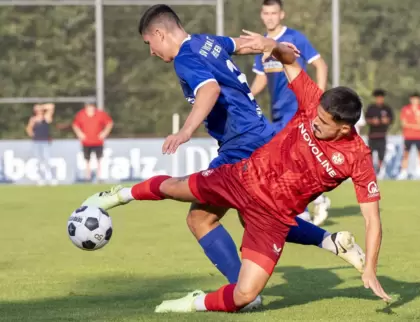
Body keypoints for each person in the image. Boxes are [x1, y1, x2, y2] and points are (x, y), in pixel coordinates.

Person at [81, 37, 390, 313]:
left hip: (272, 217)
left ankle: (194, 302)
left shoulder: (358, 158)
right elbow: (289, 60)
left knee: (245, 294)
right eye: (317, 116)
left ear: (345, 128)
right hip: (241, 178)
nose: (315, 123)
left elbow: (372, 220)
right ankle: (120, 195)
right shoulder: (313, 102)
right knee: (174, 188)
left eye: (324, 122)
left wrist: (371, 269)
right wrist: (271, 45)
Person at [130, 4, 363, 310]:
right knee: (259, 214)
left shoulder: (185, 58)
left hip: (241, 146)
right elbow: (242, 44)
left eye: (150, 44)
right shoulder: (205, 41)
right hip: (258, 135)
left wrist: (186, 131)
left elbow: (209, 90)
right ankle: (329, 241)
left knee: (201, 218)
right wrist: (277, 47)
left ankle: (243, 290)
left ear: (160, 33)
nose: (151, 52)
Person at [250, 0, 330, 224]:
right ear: (262, 15)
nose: (270, 17)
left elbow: (320, 65)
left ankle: (300, 210)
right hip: (276, 112)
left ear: (281, 15)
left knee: (290, 157)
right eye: (266, 13)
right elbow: (261, 78)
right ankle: (317, 197)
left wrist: (317, 99)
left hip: (297, 107)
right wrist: (245, 95)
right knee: (290, 158)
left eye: (274, 13)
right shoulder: (263, 44)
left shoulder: (295, 38)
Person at [72, 103, 114, 182]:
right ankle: (88, 177)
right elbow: (75, 125)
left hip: (98, 141)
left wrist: (104, 133)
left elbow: (109, 123)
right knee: (87, 159)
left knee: (99, 159)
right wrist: (80, 134)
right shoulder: (81, 114)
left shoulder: (100, 114)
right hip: (86, 142)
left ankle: (99, 177)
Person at [397, 93, 420, 180]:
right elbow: (404, 124)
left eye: (417, 99)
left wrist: (412, 124)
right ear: (410, 100)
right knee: (406, 154)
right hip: (408, 136)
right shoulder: (405, 109)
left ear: (419, 100)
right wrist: (415, 126)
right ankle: (403, 172)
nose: (415, 101)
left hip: (419, 136)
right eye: (413, 99)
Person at [365, 89, 394, 179]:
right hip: (372, 135)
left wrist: (386, 120)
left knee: (382, 155)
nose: (379, 99)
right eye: (378, 97)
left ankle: (381, 172)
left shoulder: (387, 108)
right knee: (370, 155)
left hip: (382, 135)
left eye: (381, 97)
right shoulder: (371, 108)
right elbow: (367, 119)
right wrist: (373, 121)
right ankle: (371, 171)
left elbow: (391, 119)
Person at [25, 103, 56, 186]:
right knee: (39, 161)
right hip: (36, 142)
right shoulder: (33, 119)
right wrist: (32, 134)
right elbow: (28, 128)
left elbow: (51, 106)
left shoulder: (46, 117)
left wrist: (41, 107)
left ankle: (51, 177)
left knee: (47, 159)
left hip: (45, 141)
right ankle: (41, 178)